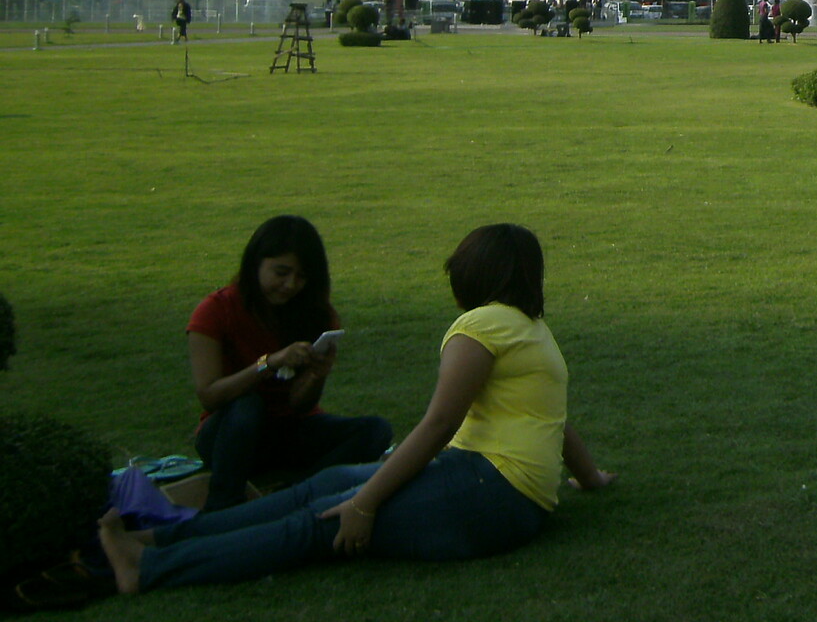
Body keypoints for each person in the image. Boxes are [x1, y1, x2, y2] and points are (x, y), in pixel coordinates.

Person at [100, 223, 614, 592]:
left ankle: (146, 569)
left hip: (489, 491)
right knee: (322, 486)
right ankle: (155, 537)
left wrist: (365, 505)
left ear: (475, 273)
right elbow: (553, 420)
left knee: (319, 521)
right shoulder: (533, 330)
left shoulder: (479, 327)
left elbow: (438, 424)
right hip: (500, 491)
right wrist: (589, 478)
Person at [185, 216, 392, 511]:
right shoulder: (214, 311)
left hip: (289, 431)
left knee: (375, 430)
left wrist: (316, 375)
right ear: (256, 262)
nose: (290, 285)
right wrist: (268, 364)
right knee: (247, 405)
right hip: (229, 436)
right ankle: (222, 505)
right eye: (281, 272)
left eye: (302, 277)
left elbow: (300, 406)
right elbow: (210, 395)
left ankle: (295, 492)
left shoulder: (315, 314)